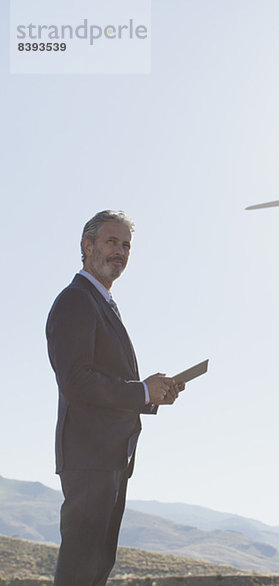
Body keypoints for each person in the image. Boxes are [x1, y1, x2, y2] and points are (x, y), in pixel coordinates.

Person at [46, 210, 184, 585]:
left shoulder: (102, 303)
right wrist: (140, 390)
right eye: (111, 242)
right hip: (89, 458)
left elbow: (105, 381)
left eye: (126, 245)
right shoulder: (76, 300)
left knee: (96, 569)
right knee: (80, 571)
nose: (120, 251)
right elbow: (76, 381)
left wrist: (151, 395)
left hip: (111, 459)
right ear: (87, 246)